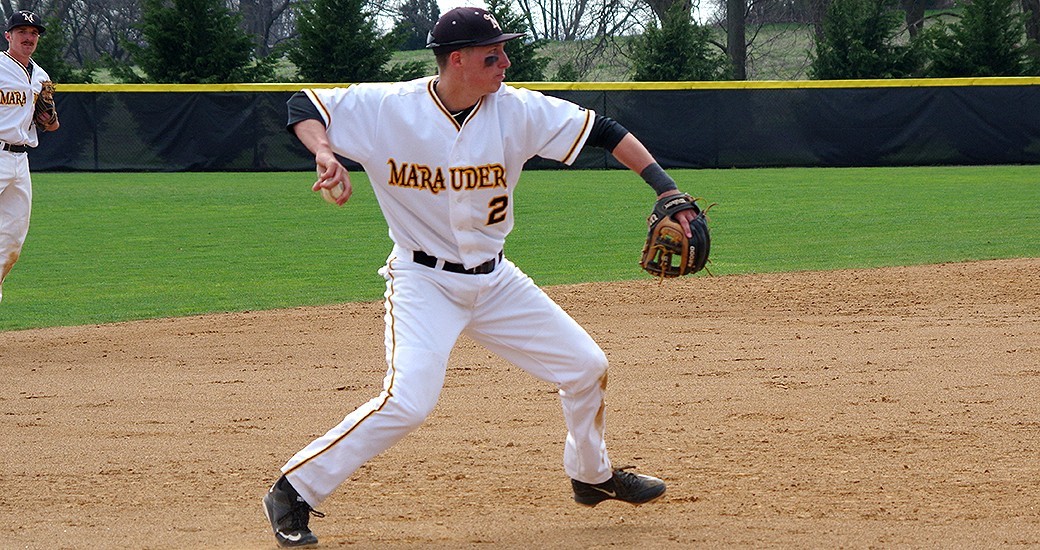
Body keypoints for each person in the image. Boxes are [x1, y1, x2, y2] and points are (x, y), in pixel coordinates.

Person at [263, 7, 698, 547]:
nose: (505, 63)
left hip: (495, 282)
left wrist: (666, 189)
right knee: (408, 401)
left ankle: (591, 475)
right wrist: (325, 152)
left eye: (504, 52)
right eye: (493, 55)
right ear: (457, 60)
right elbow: (304, 103)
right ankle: (294, 490)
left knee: (586, 367)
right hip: (423, 282)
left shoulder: (515, 110)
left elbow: (605, 131)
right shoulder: (389, 108)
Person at [0, 10, 58, 303]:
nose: (29, 37)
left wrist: (47, 115)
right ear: (8, 35)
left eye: (34, 32)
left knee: (11, 242)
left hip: (21, 161)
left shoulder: (40, 75)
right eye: (22, 31)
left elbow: (50, 124)